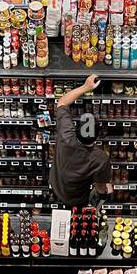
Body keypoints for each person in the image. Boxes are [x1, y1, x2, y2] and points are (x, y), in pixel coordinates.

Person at [49, 73, 114, 205]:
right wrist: (107, 189)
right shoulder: (100, 158)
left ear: (76, 129)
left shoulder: (66, 134)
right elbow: (100, 188)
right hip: (77, 198)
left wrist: (85, 87)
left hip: (56, 184)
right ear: (97, 136)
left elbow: (62, 102)